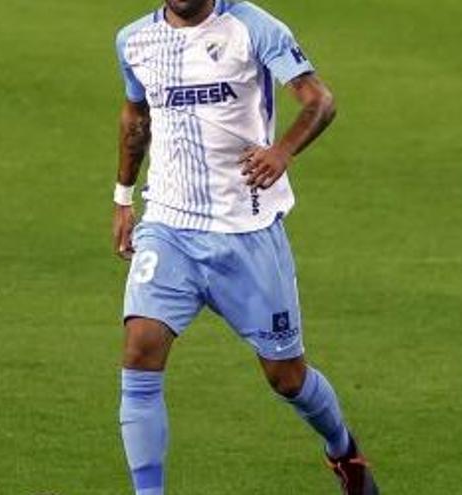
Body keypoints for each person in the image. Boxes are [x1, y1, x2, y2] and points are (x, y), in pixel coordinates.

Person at [111, 1, 379, 494]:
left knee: (286, 377)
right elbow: (136, 115)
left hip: (247, 233)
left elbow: (319, 99)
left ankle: (343, 450)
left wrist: (282, 152)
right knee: (140, 351)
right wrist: (123, 197)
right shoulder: (134, 41)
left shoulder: (253, 28)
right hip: (169, 227)